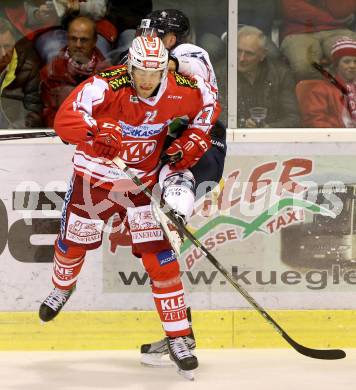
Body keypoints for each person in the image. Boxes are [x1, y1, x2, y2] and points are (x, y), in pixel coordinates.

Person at [38, 35, 221, 379]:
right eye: (140, 71)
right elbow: (65, 120)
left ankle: (179, 337)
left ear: (164, 70)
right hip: (94, 180)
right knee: (73, 245)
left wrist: (195, 138)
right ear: (130, 66)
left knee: (161, 261)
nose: (147, 80)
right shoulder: (105, 85)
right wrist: (95, 132)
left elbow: (210, 101)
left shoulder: (181, 88)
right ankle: (63, 287)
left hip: (141, 185)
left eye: (154, 72)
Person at [131, 9, 227, 367]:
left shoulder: (190, 55)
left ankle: (175, 214)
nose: (146, 43)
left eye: (154, 35)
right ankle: (180, 334)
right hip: (175, 146)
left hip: (203, 146)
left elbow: (177, 75)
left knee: (178, 182)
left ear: (170, 38)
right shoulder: (160, 71)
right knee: (162, 258)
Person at [40, 16, 109, 127]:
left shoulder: (107, 75)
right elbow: (48, 114)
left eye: (84, 40)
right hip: (60, 137)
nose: (78, 45)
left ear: (94, 41)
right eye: (73, 39)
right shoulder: (51, 72)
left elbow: (108, 116)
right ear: (67, 39)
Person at [237, 25, 300, 128]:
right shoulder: (220, 73)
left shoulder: (281, 74)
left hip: (273, 140)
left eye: (249, 53)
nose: (241, 58)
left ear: (262, 54)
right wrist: (240, 124)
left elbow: (293, 118)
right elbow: (213, 116)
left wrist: (269, 129)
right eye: (238, 51)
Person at [280, 0, 356, 80]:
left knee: (352, 58)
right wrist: (330, 20)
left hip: (336, 29)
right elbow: (293, 9)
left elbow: (343, 11)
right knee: (304, 68)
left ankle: (343, 88)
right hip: (298, 31)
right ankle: (329, 88)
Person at [297, 37, 356, 127]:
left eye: (355, 61)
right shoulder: (320, 89)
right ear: (336, 65)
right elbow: (315, 121)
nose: (352, 65)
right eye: (346, 62)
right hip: (336, 138)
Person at [0, 17, 42, 128]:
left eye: (7, 46)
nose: (3, 53)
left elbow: (33, 113)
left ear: (14, 43)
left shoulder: (28, 67)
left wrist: (13, 132)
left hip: (13, 130)